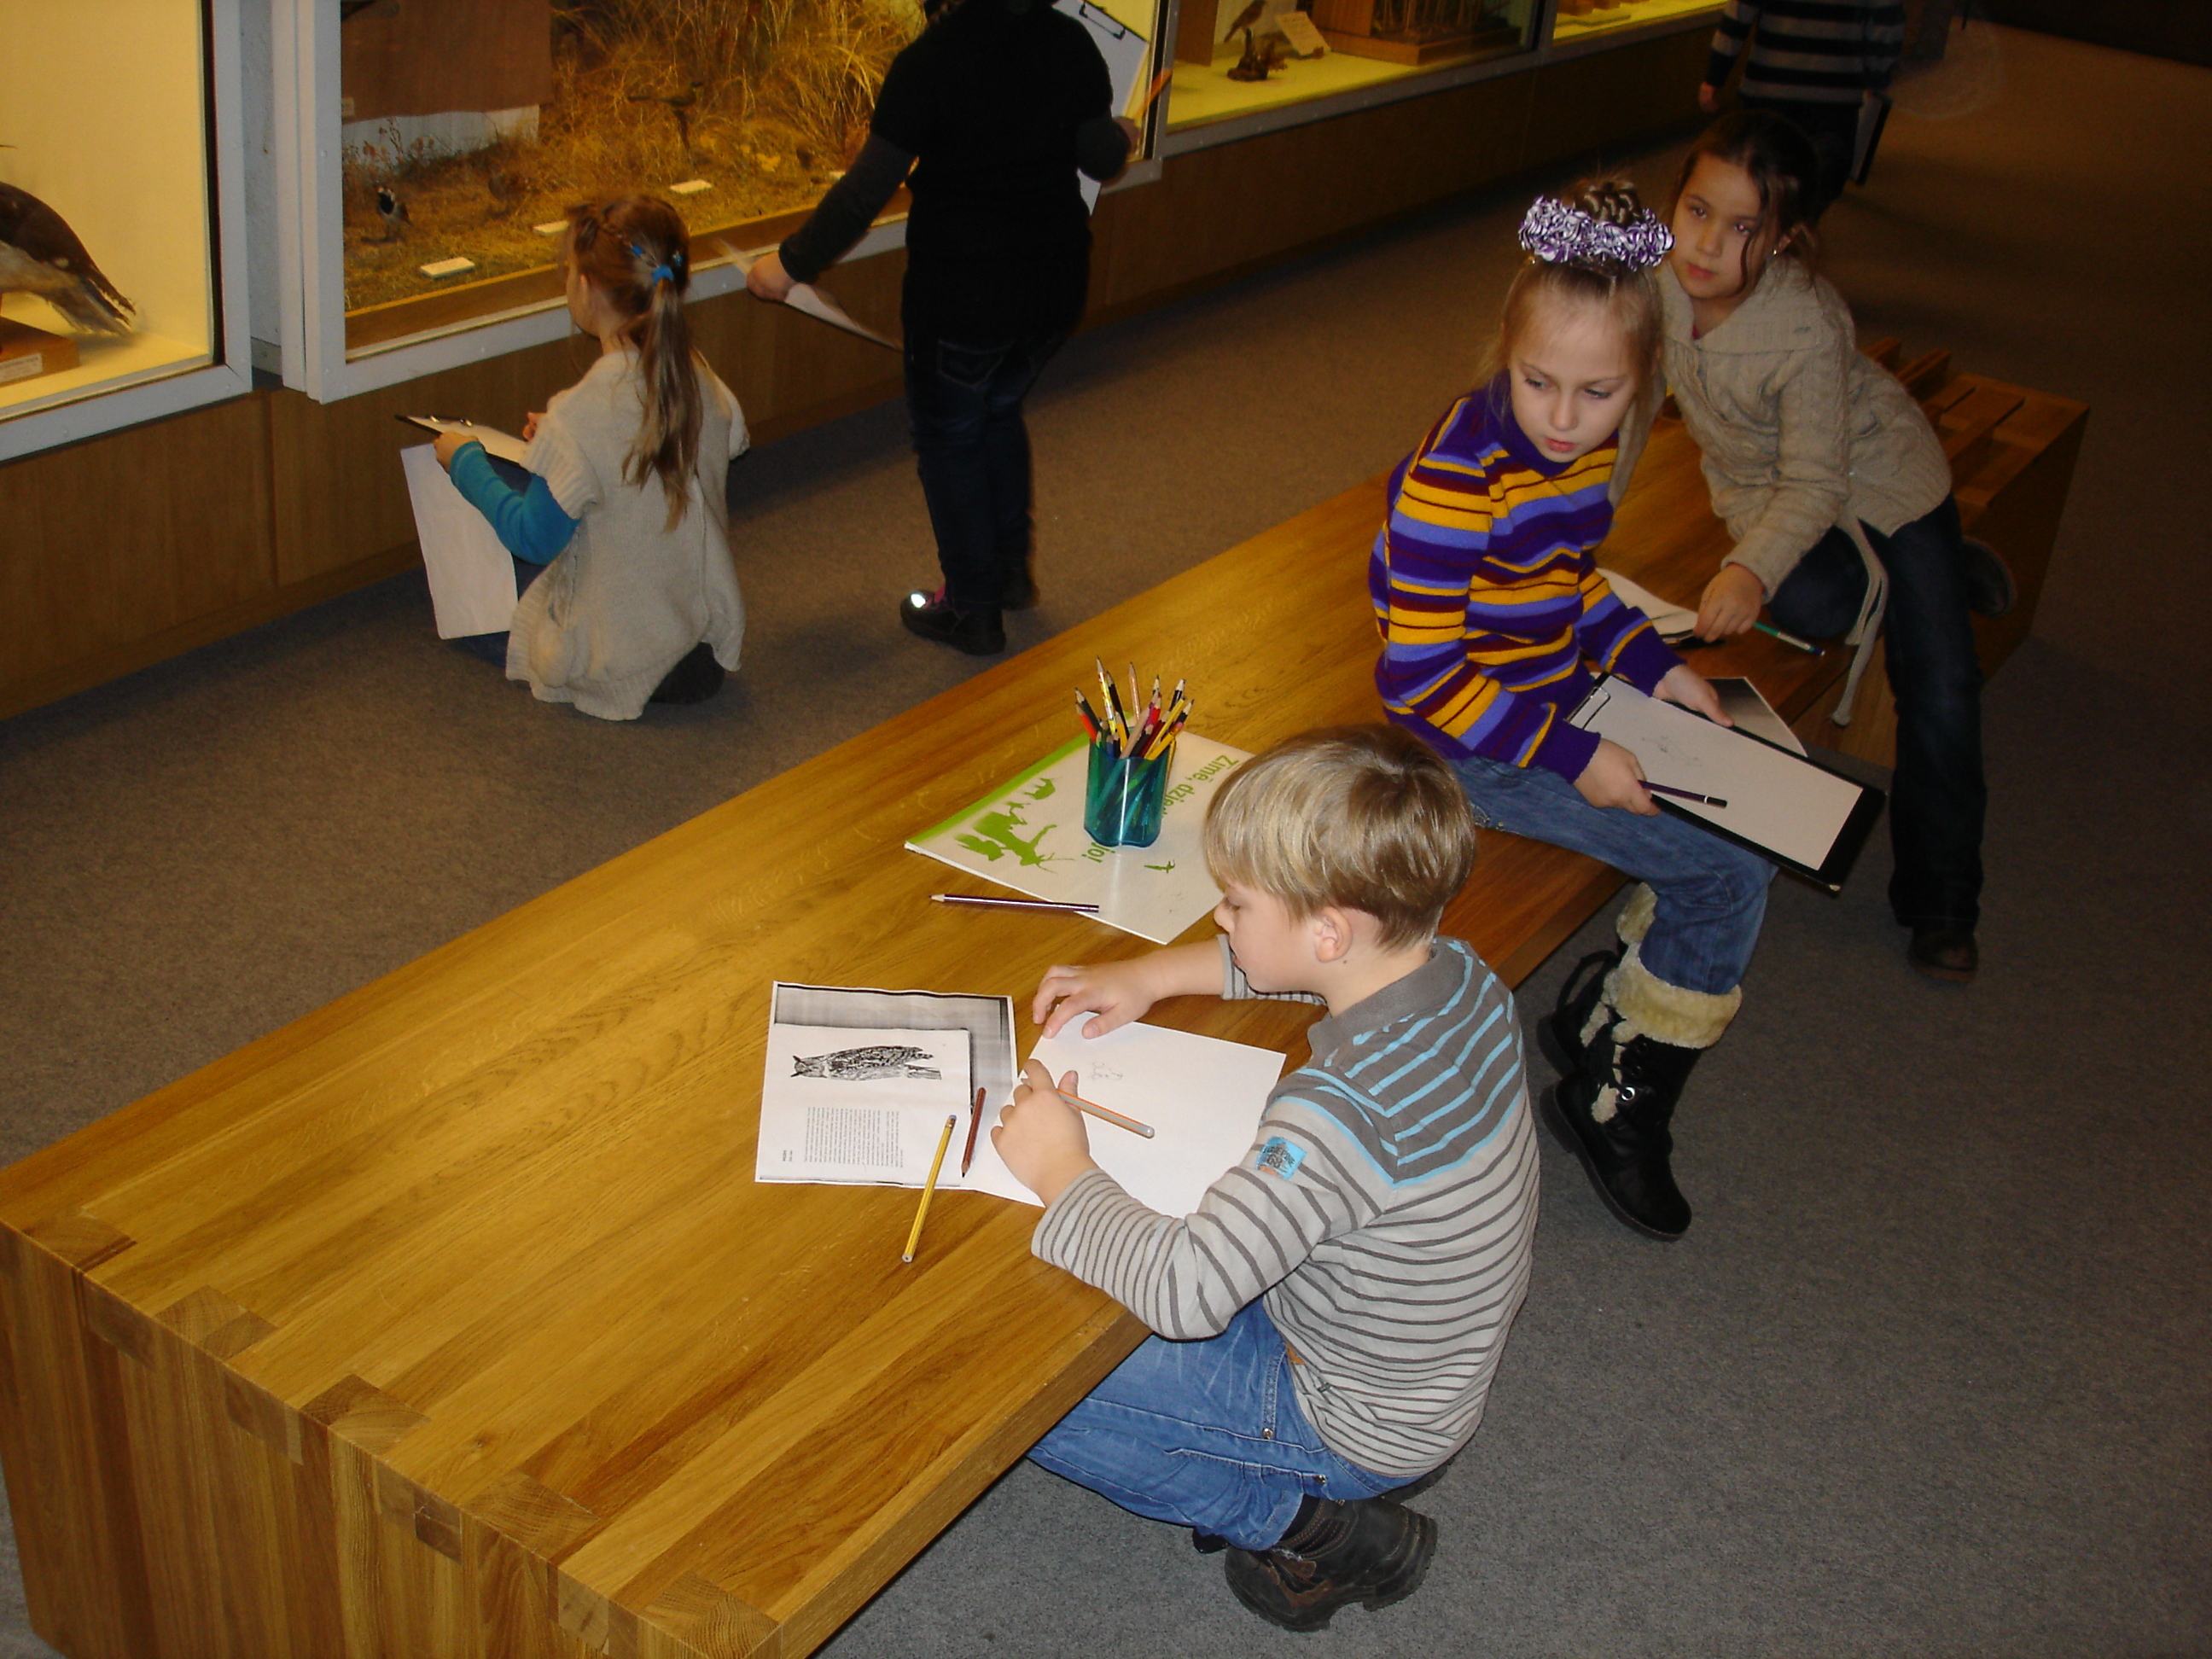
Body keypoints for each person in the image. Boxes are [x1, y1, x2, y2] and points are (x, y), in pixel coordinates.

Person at [993, 725, 1534, 1632]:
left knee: (1017, 1398)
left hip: (1347, 1417)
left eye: (1237, 903)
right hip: (1421, 1373)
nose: (1219, 919)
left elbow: (1187, 1290)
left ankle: (1308, 1525)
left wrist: (1061, 1166)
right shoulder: (1463, 977)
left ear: (1328, 929)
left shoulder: (1339, 1118)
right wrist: (1151, 974)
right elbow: (1302, 968)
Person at [1371, 181, 1772, 1243]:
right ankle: (1614, 1099)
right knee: (1731, 870)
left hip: (1547, 703)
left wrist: (1654, 667)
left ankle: (1608, 1015)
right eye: (1538, 381)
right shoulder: (1460, 479)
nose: (1561, 417)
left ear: (1643, 382)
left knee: (1753, 810)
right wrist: (1572, 752)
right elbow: (1416, 680)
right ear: (1506, 353)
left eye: (1597, 393)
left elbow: (1571, 584)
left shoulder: (1577, 454)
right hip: (1466, 746)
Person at [1662, 113, 2011, 981]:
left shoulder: (1808, 323)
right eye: (1697, 210)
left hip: (1882, 479)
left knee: (1941, 678)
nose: (1706, 245)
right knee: (1814, 606)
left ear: (1785, 237)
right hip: (1767, 485)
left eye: (1743, 227)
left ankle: (1943, 899)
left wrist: (1748, 566)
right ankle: (1924, 572)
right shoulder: (1654, 283)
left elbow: (1818, 481)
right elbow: (1626, 395)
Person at [745, 0, 1138, 657]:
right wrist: (1121, 133)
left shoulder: (929, 60)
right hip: (1054, 284)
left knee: (950, 437)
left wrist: (789, 265)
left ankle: (970, 607)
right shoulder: (1070, 40)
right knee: (998, 410)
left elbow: (869, 187)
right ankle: (1009, 574)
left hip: (964, 295)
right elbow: (1098, 156)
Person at [436, 194, 747, 719]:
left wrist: (463, 462)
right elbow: (724, 437)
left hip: (629, 660)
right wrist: (567, 447)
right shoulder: (695, 371)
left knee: (505, 549)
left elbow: (531, 538)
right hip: (702, 646)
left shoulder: (580, 413)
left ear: (585, 286)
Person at [1697, 0, 1906, 218]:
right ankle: (1796, 232)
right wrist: (1877, 75)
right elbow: (1886, 24)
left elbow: (1738, 15)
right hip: (1835, 97)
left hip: (1770, 90)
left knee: (1761, 179)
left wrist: (1716, 75)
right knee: (1820, 184)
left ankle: (1768, 232)